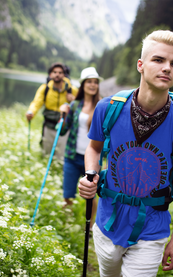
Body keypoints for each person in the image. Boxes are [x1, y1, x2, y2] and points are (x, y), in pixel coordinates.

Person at [78, 30, 173, 276]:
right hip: (107, 221)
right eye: (159, 60)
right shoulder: (108, 109)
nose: (167, 68)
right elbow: (93, 147)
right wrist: (90, 174)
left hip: (152, 229)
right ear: (140, 65)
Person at [58, 67, 102, 227]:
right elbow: (62, 131)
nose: (93, 85)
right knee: (68, 194)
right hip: (71, 156)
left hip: (91, 159)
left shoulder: (102, 106)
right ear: (83, 85)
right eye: (89, 82)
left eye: (95, 82)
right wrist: (62, 115)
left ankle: (89, 227)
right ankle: (67, 224)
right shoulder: (75, 105)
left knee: (91, 195)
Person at [25, 63, 78, 159]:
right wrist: (31, 112)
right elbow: (36, 102)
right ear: (50, 74)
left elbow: (82, 104)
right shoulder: (45, 88)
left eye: (60, 72)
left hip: (64, 128)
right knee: (46, 154)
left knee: (61, 156)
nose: (57, 74)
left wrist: (73, 100)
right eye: (55, 72)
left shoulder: (72, 90)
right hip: (48, 126)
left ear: (64, 75)